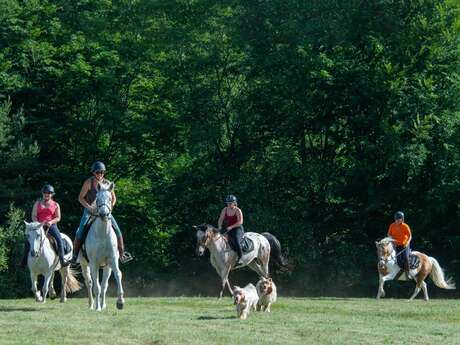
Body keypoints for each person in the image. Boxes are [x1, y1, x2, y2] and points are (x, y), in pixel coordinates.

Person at [69, 161, 130, 264]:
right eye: (98, 172)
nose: (100, 174)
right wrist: (89, 207)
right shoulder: (89, 182)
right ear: (93, 173)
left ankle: (122, 254)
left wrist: (110, 207)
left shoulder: (107, 183)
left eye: (102, 172)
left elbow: (114, 198)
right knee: (80, 231)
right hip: (90, 211)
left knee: (118, 230)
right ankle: (75, 255)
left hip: (105, 211)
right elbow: (80, 198)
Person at [21, 184, 69, 267]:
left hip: (51, 226)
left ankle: (62, 260)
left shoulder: (56, 204)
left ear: (52, 194)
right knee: (28, 241)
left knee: (59, 240)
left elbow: (58, 217)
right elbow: (33, 216)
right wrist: (39, 223)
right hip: (39, 226)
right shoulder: (37, 203)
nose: (47, 194)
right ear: (42, 193)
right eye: (45, 193)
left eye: (49, 193)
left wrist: (51, 222)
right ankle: (24, 261)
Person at [218, 194, 244, 264]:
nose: (229, 204)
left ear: (234, 203)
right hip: (228, 228)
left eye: (230, 203)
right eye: (227, 203)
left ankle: (240, 257)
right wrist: (220, 226)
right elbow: (220, 219)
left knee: (236, 239)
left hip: (237, 228)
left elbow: (240, 222)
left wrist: (231, 227)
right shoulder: (225, 209)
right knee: (218, 238)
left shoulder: (238, 210)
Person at [387, 211, 412, 277]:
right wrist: (392, 242)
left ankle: (408, 273)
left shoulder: (405, 226)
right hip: (395, 245)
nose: (397, 220)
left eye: (398, 219)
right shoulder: (392, 225)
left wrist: (407, 243)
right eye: (396, 219)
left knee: (405, 258)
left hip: (404, 245)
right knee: (397, 259)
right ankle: (400, 272)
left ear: (402, 219)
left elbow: (410, 236)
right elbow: (389, 235)